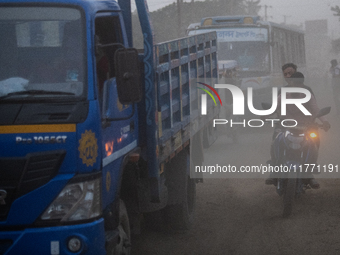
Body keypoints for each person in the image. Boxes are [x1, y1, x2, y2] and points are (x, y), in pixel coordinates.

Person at [265, 72, 330, 189]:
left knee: (314, 142)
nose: (297, 86)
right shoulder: (282, 96)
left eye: (299, 83)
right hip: (286, 127)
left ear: (302, 84)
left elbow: (316, 110)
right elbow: (273, 108)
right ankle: (274, 170)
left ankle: (310, 171)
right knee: (275, 141)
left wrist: (324, 121)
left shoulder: (308, 96)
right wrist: (264, 115)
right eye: (295, 83)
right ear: (290, 83)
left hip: (306, 127)